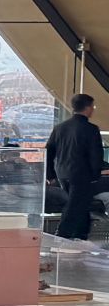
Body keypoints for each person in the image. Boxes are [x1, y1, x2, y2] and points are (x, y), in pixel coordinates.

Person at [46, 93, 104, 241]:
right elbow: (96, 154)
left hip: (62, 173)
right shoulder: (91, 129)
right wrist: (95, 174)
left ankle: (81, 236)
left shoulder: (59, 128)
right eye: (92, 106)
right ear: (88, 108)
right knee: (74, 206)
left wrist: (50, 175)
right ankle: (62, 235)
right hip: (81, 174)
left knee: (80, 204)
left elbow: (49, 151)